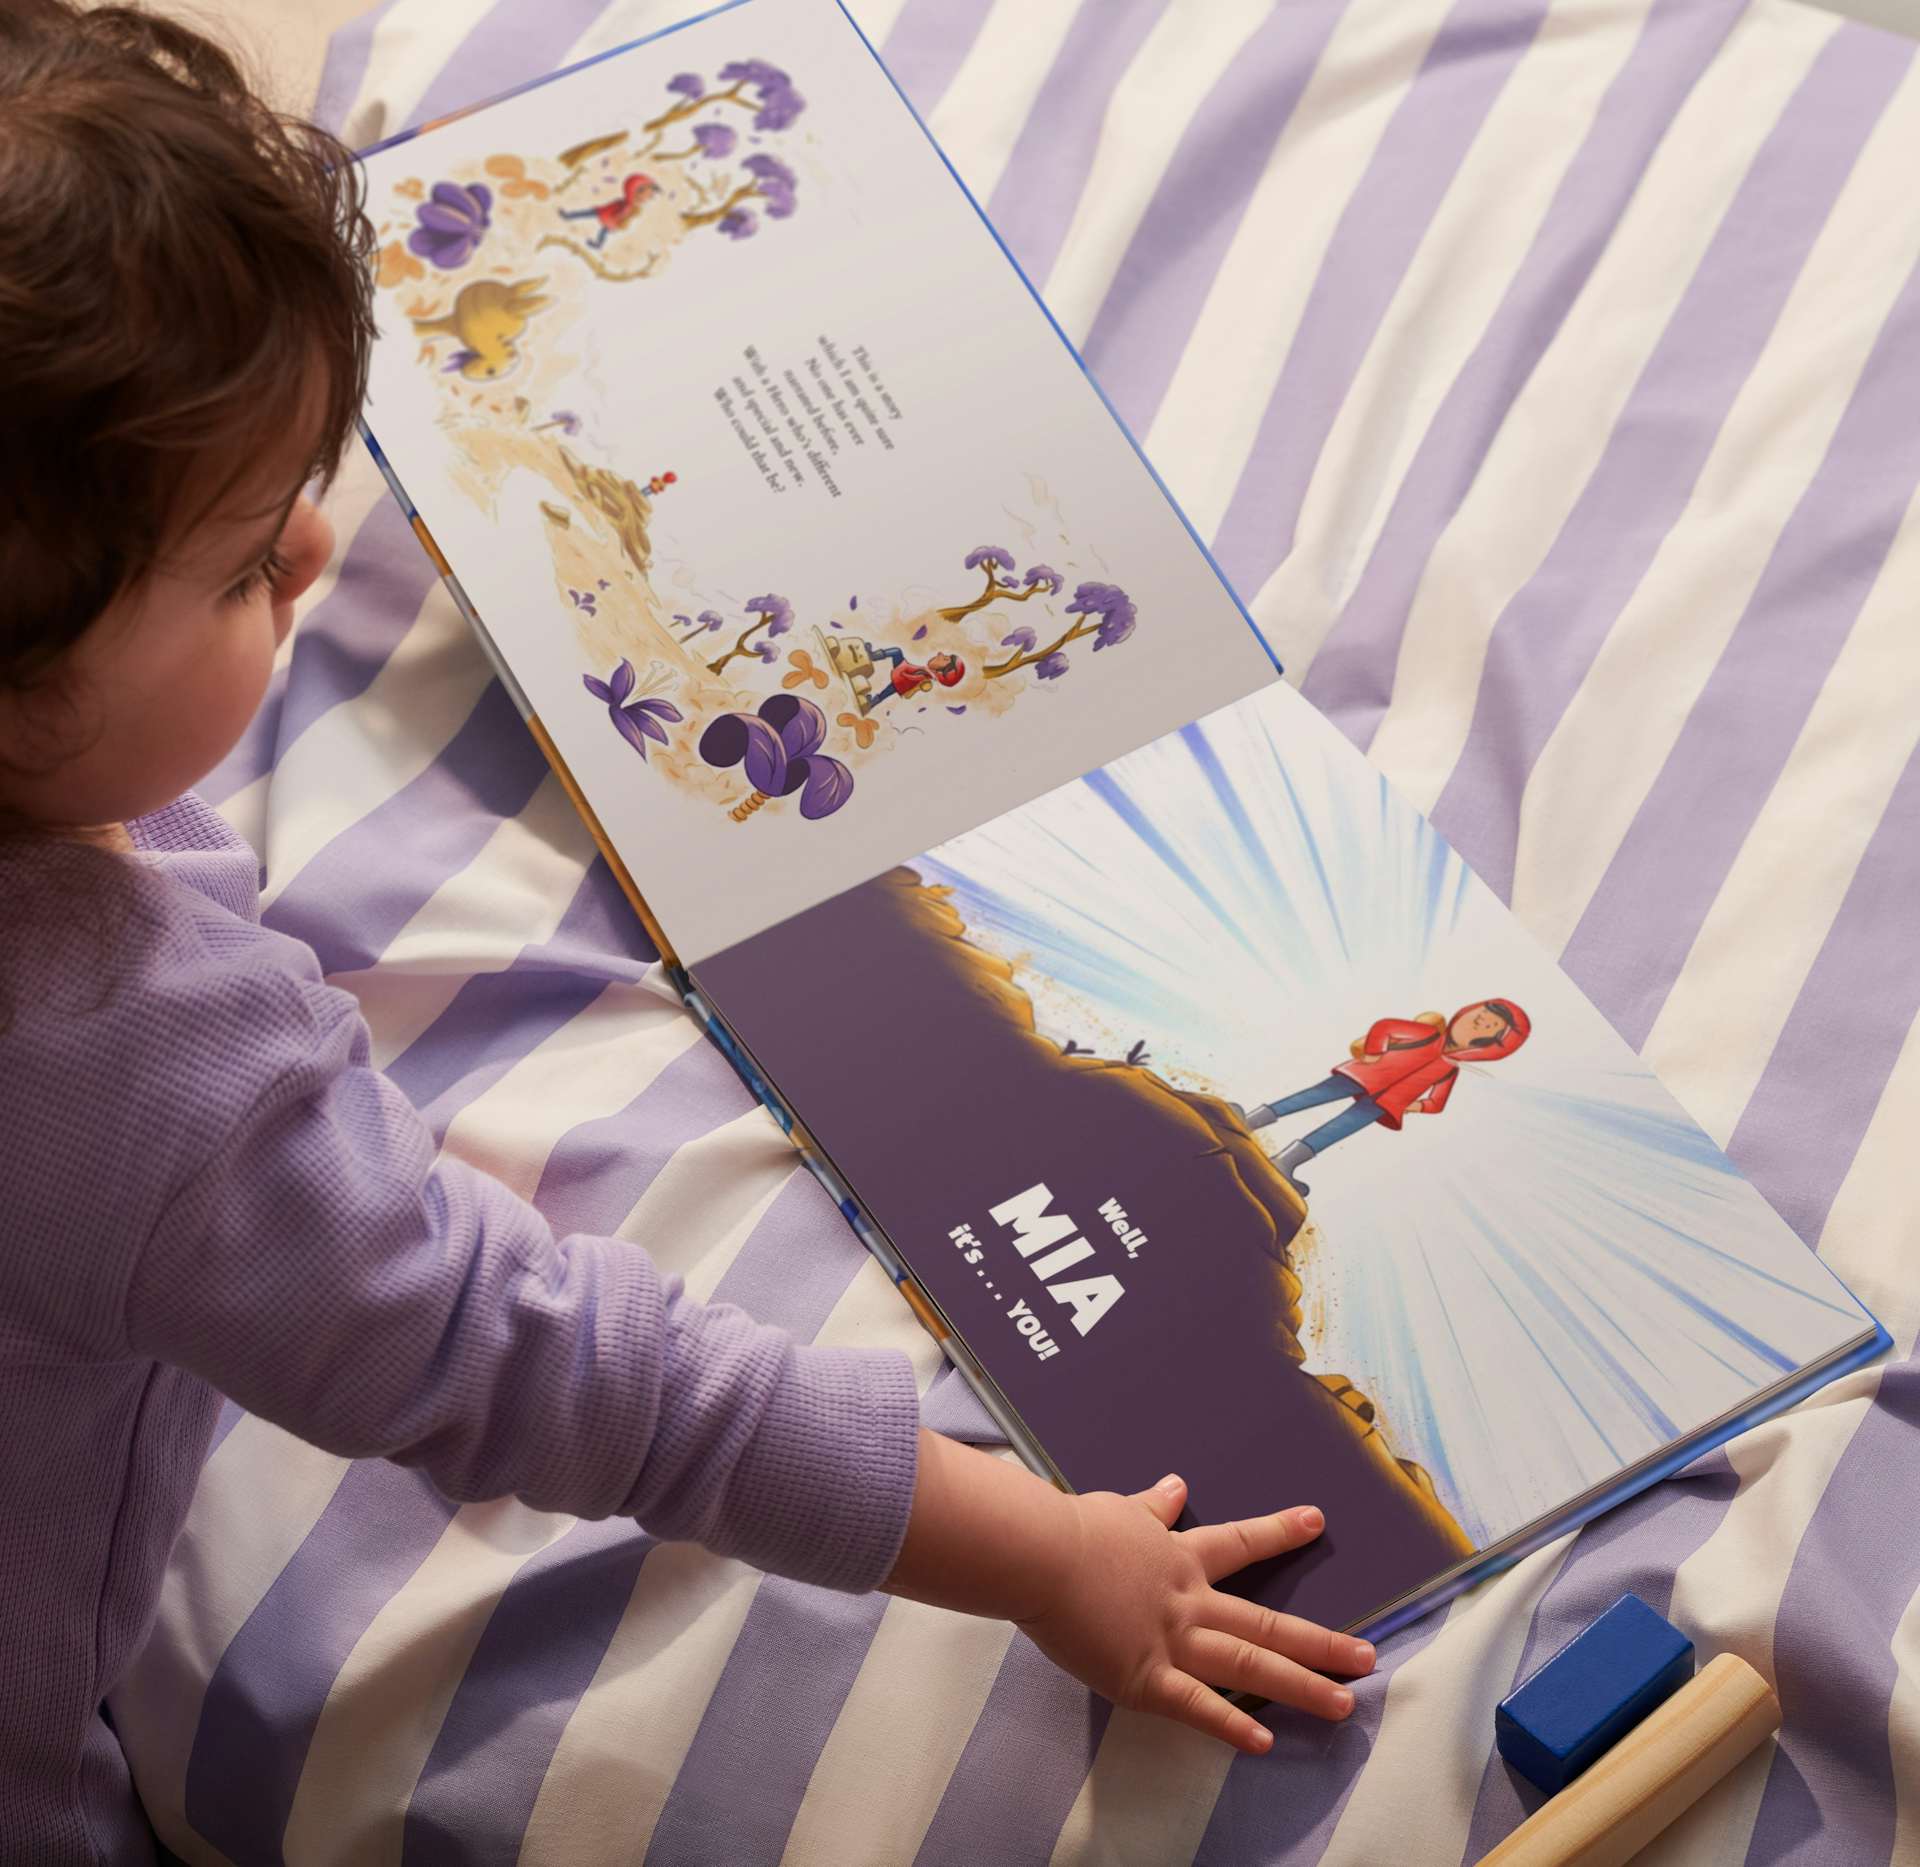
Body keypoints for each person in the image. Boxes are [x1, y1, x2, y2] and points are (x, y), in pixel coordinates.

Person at [0, 6, 1370, 1857]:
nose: (317, 560)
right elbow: (550, 1361)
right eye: (247, 561)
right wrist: (1048, 1549)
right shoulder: (136, 1055)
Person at [1244, 1000, 1531, 1197]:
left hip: (1385, 1104)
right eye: (1478, 1017)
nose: (1478, 1023)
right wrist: (1373, 1053)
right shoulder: (1428, 1033)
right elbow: (1385, 1027)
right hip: (1365, 1074)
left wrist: (1414, 1105)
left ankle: (1286, 1161)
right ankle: (1251, 1120)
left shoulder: (1450, 1069)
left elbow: (1436, 1103)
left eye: (1486, 1026)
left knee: (1338, 1129)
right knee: (1311, 1097)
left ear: (1488, 1044)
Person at [859, 642, 965, 711]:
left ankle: (872, 656)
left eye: (945, 659)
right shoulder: (927, 673)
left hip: (901, 680)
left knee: (896, 652)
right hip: (902, 671)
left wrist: (904, 674)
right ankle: (871, 703)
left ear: (944, 673)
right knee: (896, 652)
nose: (940, 654)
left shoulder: (926, 676)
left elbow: (914, 678)